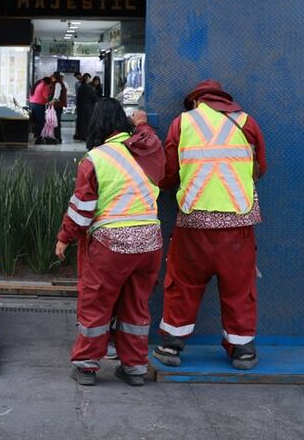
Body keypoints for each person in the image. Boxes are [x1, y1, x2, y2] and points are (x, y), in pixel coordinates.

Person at [154, 79, 268, 371]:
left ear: (195, 102)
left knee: (183, 284)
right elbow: (261, 168)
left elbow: (168, 172)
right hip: (239, 224)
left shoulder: (182, 124)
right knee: (239, 288)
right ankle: (243, 350)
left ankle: (171, 345)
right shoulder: (247, 122)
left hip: (193, 223)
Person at [55, 99, 164, 387]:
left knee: (97, 303)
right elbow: (151, 138)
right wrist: (141, 122)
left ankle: (87, 367)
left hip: (111, 244)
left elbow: (81, 209)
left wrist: (65, 237)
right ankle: (135, 368)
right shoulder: (146, 150)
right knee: (136, 306)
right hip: (150, 241)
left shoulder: (95, 159)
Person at [74, 73, 98, 142]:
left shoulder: (80, 87)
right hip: (88, 109)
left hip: (81, 108)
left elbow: (78, 99)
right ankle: (86, 137)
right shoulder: (89, 88)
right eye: (89, 78)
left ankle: (81, 136)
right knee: (87, 123)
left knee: (81, 123)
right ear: (87, 79)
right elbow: (94, 98)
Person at [28, 76, 52, 144]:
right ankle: (36, 138)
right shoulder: (45, 85)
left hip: (32, 104)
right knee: (40, 122)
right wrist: (50, 101)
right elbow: (45, 96)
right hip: (38, 105)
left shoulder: (38, 83)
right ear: (48, 82)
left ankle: (32, 138)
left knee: (34, 122)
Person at [49, 72, 69, 143]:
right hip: (58, 105)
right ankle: (57, 137)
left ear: (55, 77)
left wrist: (51, 102)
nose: (52, 78)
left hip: (57, 106)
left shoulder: (58, 84)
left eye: (53, 77)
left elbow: (56, 95)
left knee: (56, 122)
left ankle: (58, 138)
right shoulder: (59, 83)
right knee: (56, 121)